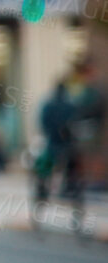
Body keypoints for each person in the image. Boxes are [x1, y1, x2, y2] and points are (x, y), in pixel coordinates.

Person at [34, 60, 103, 231]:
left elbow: (42, 124)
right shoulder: (72, 105)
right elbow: (77, 125)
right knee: (75, 184)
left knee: (42, 180)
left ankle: (39, 211)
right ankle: (76, 216)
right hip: (69, 149)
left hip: (51, 148)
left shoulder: (48, 104)